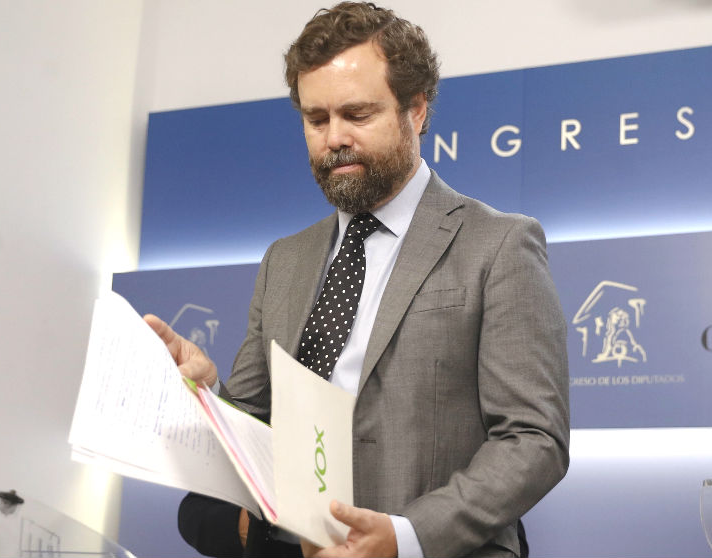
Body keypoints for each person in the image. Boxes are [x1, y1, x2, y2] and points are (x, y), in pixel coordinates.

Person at [146, 2, 570, 556]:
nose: (334, 138)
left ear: (416, 111)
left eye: (358, 115)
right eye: (317, 120)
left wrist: (406, 536)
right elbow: (256, 423)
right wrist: (207, 394)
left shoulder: (500, 245)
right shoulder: (285, 260)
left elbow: (534, 440)